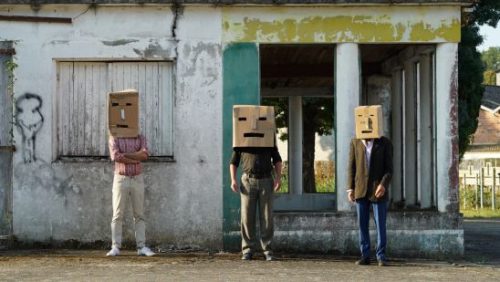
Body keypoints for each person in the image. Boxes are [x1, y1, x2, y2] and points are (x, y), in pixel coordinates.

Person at [230, 146, 282, 261]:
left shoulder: (268, 137)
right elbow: (234, 161)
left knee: (267, 216)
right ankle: (248, 250)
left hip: (266, 180)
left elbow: (277, 159)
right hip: (248, 181)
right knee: (247, 216)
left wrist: (278, 178)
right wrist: (233, 179)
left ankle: (268, 250)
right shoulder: (242, 137)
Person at [106, 134, 155, 257]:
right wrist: (135, 158)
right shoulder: (115, 136)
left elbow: (144, 155)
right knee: (117, 214)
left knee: (139, 214)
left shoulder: (139, 136)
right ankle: (115, 247)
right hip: (120, 178)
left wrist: (126, 155)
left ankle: (141, 247)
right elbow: (115, 156)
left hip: (137, 178)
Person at [347, 136, 393, 266]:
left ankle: (381, 256)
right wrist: (350, 189)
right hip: (361, 190)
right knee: (362, 224)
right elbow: (351, 167)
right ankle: (365, 255)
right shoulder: (355, 142)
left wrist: (383, 184)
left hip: (378, 191)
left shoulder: (384, 142)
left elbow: (389, 169)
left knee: (380, 224)